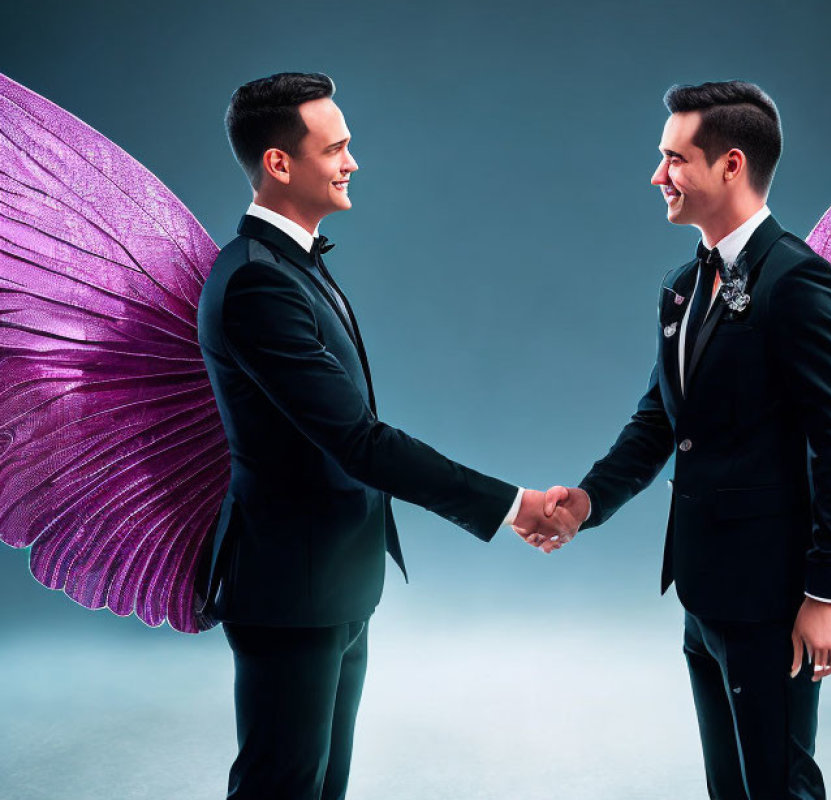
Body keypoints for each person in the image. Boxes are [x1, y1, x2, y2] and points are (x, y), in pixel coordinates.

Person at [196, 72, 578, 800]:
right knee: (282, 785)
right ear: (279, 163)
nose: (352, 161)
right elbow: (359, 442)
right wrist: (515, 504)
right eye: (336, 147)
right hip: (289, 587)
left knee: (320, 785)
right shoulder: (256, 282)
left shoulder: (292, 266)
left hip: (335, 580)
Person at [539, 80, 831, 799]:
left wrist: (826, 593)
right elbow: (660, 417)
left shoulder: (800, 282)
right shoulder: (685, 285)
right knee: (730, 788)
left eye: (674, 159)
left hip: (774, 598)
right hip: (703, 590)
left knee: (778, 785)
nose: (658, 175)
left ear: (731, 165)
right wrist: (587, 500)